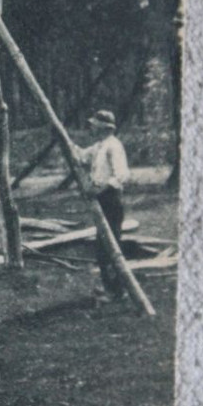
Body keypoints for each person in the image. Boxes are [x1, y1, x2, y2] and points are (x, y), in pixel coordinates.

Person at [74, 109, 130, 301]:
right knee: (102, 246)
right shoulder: (99, 146)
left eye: (94, 125)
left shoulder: (114, 146)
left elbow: (121, 175)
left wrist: (100, 190)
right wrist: (62, 138)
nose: (92, 128)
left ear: (104, 128)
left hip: (111, 198)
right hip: (102, 197)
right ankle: (111, 288)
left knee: (111, 244)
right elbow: (80, 156)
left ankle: (118, 291)